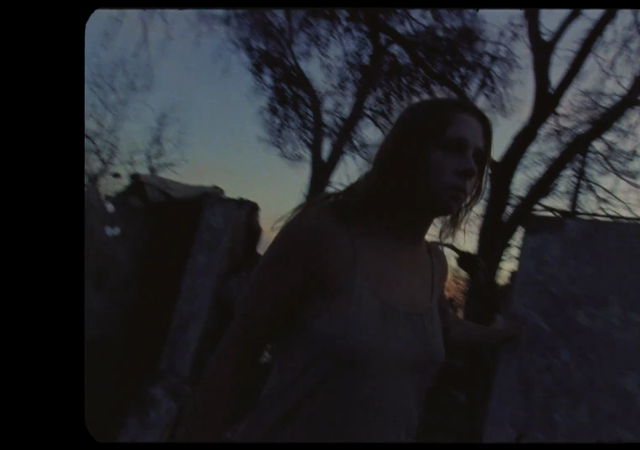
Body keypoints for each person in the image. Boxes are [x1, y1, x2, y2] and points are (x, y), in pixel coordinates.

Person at [172, 98, 525, 443]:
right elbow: (236, 355)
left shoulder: (434, 265)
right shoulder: (324, 233)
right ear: (410, 151)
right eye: (453, 148)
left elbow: (442, 328)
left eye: (478, 158)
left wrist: (506, 333)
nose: (470, 169)